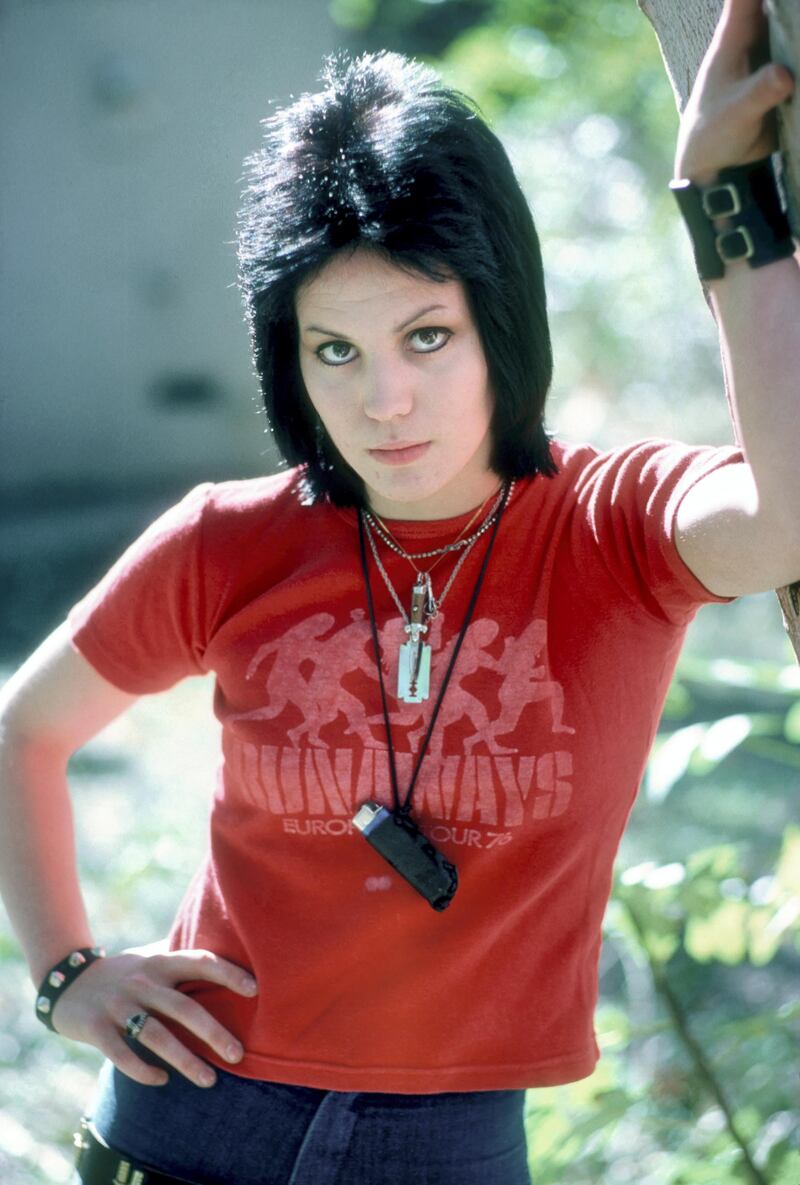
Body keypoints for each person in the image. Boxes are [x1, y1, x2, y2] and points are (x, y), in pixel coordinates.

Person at [1, 1, 798, 1181]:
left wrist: (722, 201)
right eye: (336, 350)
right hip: (187, 1120)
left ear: (499, 321)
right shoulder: (229, 543)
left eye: (426, 336)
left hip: (452, 1145)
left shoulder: (608, 526)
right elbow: (24, 729)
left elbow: (784, 517)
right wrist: (66, 973)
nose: (383, 402)